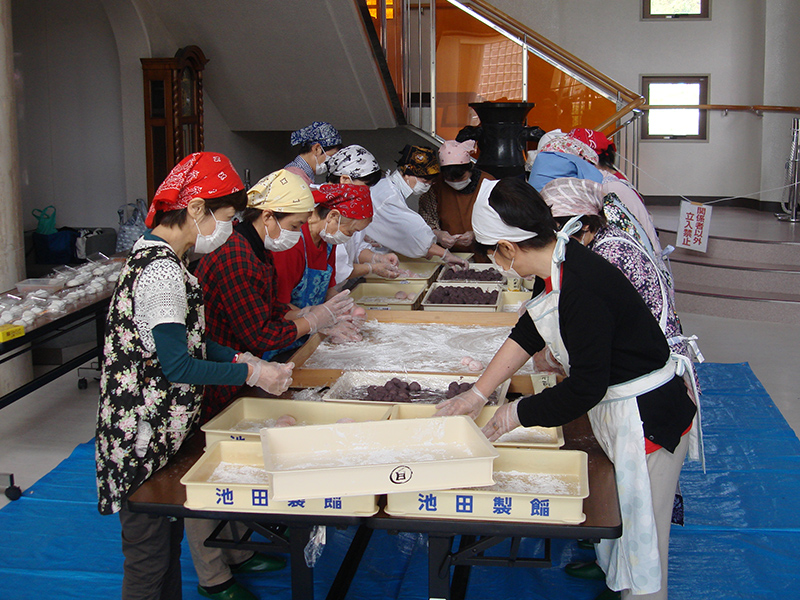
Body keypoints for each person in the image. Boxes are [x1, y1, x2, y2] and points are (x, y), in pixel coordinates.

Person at [435, 177, 698, 600]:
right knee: (624, 531)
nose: (497, 264)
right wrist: (478, 393)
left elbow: (585, 388)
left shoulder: (581, 286)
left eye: (493, 254)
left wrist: (513, 414)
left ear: (508, 248)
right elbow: (529, 329)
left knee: (643, 545)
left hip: (647, 419)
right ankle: (619, 585)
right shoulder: (557, 261)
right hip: (619, 407)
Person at [95, 152, 294, 600]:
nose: (228, 229)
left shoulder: (164, 258)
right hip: (142, 436)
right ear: (197, 208)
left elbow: (192, 342)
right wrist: (249, 371)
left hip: (159, 432)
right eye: (226, 218)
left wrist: (245, 359)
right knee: (149, 561)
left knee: (163, 550)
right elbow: (178, 365)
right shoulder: (162, 273)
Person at [195, 169, 355, 419]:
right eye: (294, 226)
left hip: (239, 365)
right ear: (268, 216)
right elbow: (259, 335)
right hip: (220, 372)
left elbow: (267, 306)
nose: (297, 233)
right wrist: (311, 322)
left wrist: (304, 313)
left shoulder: (258, 248)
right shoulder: (236, 256)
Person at [271, 183, 374, 338]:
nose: (349, 237)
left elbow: (327, 290)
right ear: (333, 216)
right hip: (284, 334)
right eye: (350, 231)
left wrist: (347, 307)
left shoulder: (327, 241)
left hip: (308, 335)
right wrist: (316, 321)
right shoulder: (292, 244)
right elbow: (277, 306)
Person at [359, 144, 469, 268]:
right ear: (407, 173)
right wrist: (445, 255)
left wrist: (436, 239)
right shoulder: (389, 197)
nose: (427, 186)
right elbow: (413, 234)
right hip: (365, 258)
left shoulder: (388, 187)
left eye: (430, 183)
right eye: (424, 181)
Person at [325, 144, 402, 283]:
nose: (368, 192)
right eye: (366, 186)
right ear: (345, 180)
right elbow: (337, 270)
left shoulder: (354, 206)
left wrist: (377, 258)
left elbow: (356, 245)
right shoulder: (325, 212)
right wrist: (372, 268)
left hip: (336, 288)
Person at [417, 139, 495, 254]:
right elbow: (425, 219)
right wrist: (438, 235)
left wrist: (476, 234)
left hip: (485, 253)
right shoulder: (436, 186)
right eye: (449, 179)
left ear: (470, 168)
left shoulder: (488, 183)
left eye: (461, 178)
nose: (455, 183)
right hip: (448, 254)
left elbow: (499, 220)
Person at [284, 121, 343, 185]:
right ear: (317, 149)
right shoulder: (293, 176)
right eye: (331, 156)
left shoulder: (303, 175)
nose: (332, 162)